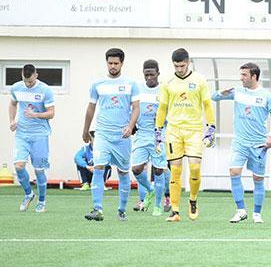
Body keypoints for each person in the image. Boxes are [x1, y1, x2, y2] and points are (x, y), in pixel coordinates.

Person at [211, 63, 271, 224]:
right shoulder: (237, 91)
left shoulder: (267, 96)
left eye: (244, 75)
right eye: (240, 74)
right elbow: (214, 97)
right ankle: (241, 211)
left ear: (254, 76)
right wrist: (221, 92)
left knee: (258, 179)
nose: (241, 78)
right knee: (234, 172)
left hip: (259, 145)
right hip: (240, 142)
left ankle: (257, 213)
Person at [154, 48, 216, 222]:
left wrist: (211, 126)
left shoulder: (200, 80)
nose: (179, 69)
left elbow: (207, 104)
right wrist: (158, 130)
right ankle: (175, 211)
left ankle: (193, 200)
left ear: (188, 62)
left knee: (195, 167)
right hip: (173, 130)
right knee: (175, 170)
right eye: (176, 66)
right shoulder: (167, 81)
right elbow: (162, 108)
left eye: (182, 66)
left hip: (194, 130)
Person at [82, 48, 140, 222]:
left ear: (122, 63)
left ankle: (122, 210)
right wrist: (85, 130)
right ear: (106, 63)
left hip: (122, 136)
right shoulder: (98, 84)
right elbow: (91, 108)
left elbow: (136, 108)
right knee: (99, 167)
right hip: (102, 134)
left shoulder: (131, 84)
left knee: (123, 172)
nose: (113, 66)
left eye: (116, 63)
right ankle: (97, 209)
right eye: (110, 63)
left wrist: (130, 126)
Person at [9, 64, 55, 213]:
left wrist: (36, 115)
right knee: (18, 166)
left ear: (36, 75)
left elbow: (51, 113)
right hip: (22, 134)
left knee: (39, 170)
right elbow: (13, 104)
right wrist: (12, 120)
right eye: (25, 81)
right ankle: (29, 194)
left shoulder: (45, 90)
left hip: (40, 135)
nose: (28, 84)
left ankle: (42, 202)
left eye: (30, 81)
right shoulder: (16, 88)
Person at [129, 60, 168, 216]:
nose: (149, 78)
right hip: (141, 134)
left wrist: (162, 118)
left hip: (158, 135)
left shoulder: (164, 90)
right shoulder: (138, 89)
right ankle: (150, 190)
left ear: (158, 73)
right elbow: (132, 108)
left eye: (152, 74)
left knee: (158, 170)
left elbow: (171, 112)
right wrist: (131, 124)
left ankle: (157, 205)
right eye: (146, 75)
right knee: (136, 169)